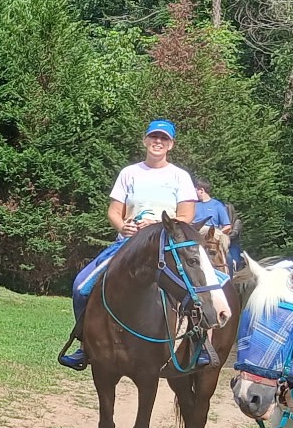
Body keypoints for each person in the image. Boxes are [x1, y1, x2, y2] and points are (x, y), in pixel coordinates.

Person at [58, 119, 199, 371]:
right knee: (81, 286)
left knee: (197, 288)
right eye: (154, 137)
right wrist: (122, 226)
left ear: (171, 145)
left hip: (166, 247)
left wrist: (159, 222)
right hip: (128, 246)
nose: (158, 142)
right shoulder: (129, 173)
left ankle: (198, 348)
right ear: (145, 140)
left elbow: (187, 216)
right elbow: (114, 211)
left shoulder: (180, 176)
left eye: (164, 139)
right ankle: (85, 345)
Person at [191, 181, 242, 266]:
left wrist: (216, 233)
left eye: (195, 190)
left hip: (213, 235)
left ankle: (228, 276)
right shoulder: (193, 206)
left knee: (228, 258)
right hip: (197, 235)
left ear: (201, 190)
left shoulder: (217, 205)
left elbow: (227, 226)